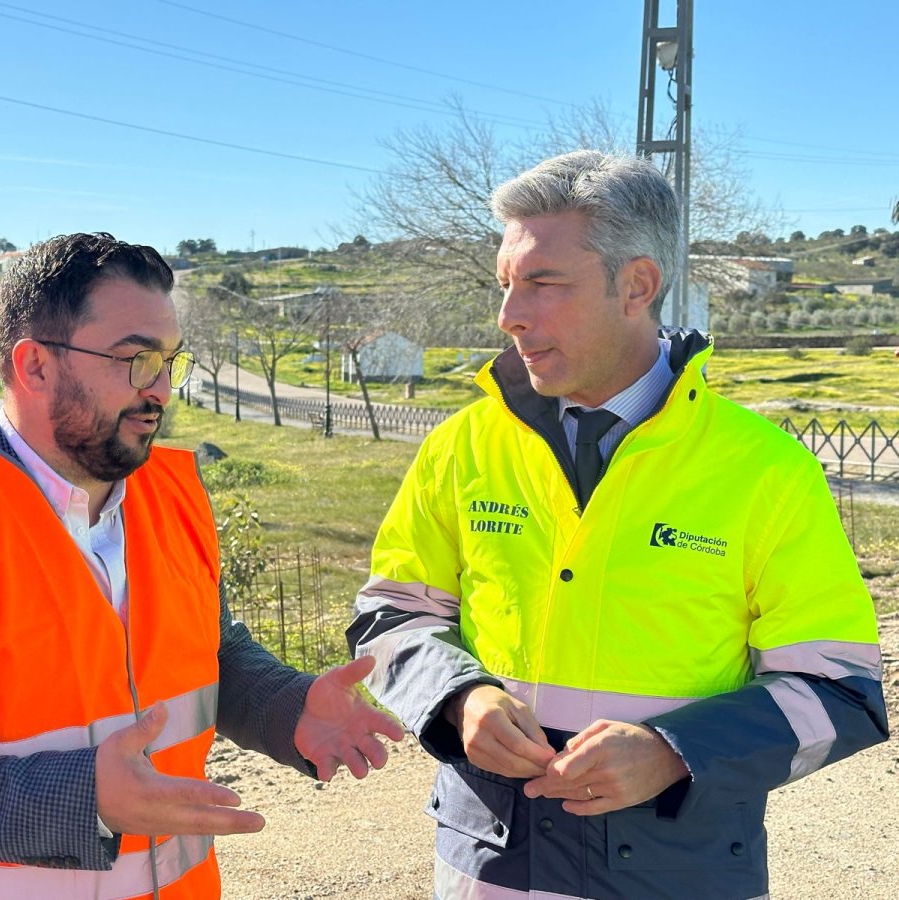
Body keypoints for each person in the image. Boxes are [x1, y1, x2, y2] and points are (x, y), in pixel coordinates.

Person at [348, 151, 889, 899]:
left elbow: (842, 690)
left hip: (681, 874)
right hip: (489, 870)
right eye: (507, 285)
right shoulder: (461, 447)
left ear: (637, 285)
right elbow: (391, 617)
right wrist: (459, 697)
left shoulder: (767, 470)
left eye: (543, 283)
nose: (509, 316)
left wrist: (675, 752)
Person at [0, 231, 404, 899]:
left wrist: (286, 707)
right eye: (135, 360)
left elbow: (212, 656)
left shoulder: (176, 494)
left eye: (170, 361)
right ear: (35, 365)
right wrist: (83, 798)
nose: (161, 389)